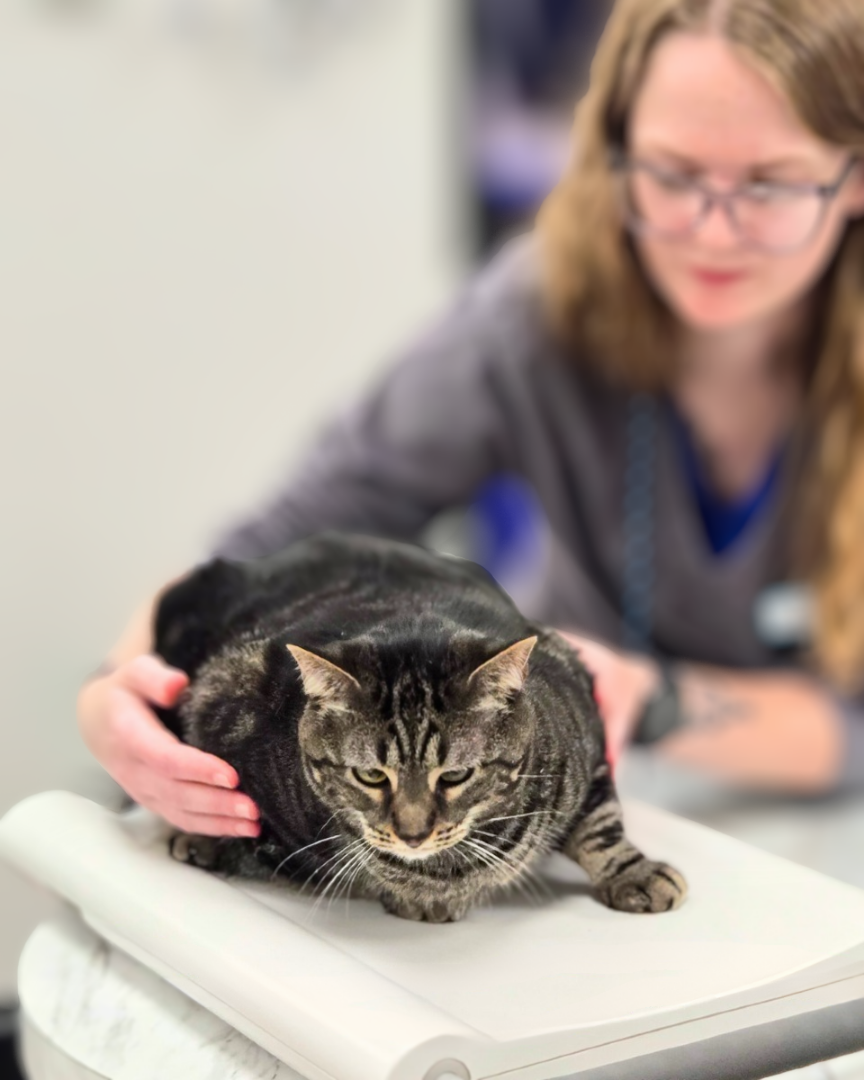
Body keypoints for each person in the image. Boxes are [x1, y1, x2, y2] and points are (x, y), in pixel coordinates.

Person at [78, 0, 864, 843]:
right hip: (564, 803)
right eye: (670, 173)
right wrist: (121, 687)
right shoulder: (535, 313)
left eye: (770, 184)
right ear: (611, 153)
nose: (713, 230)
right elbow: (288, 535)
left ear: (854, 177)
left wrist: (658, 697)